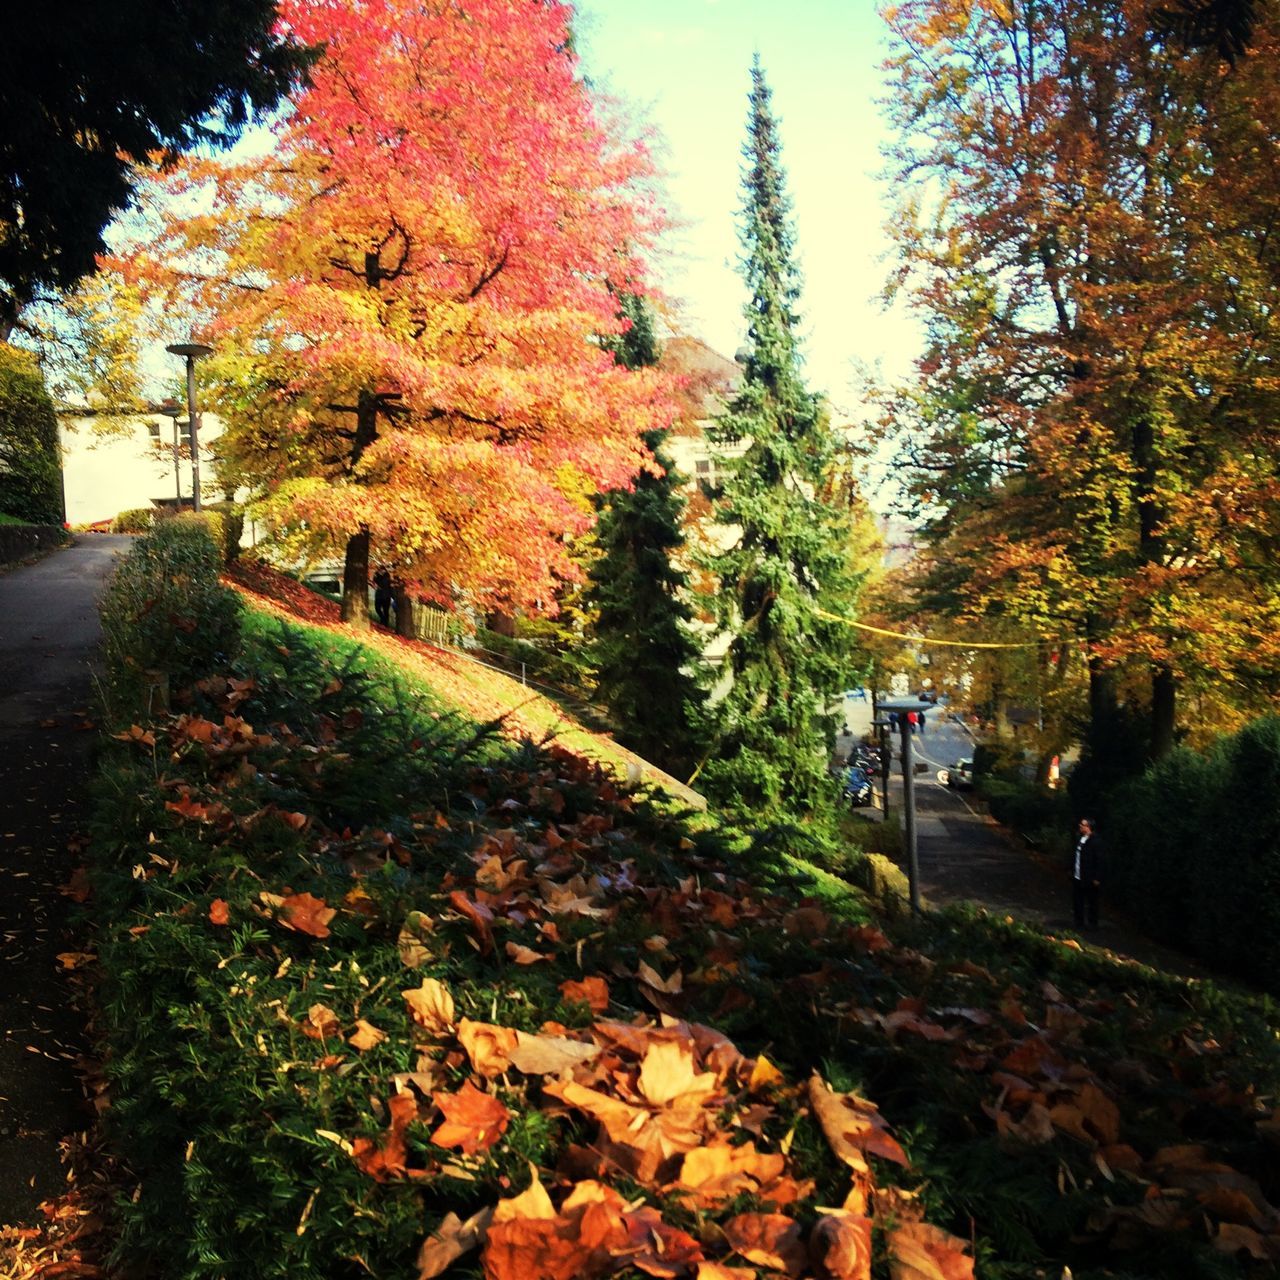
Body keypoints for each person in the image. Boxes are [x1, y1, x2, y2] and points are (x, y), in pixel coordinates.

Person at [1071, 817, 1103, 928]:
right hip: (1078, 875)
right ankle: (1079, 921)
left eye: (1082, 824)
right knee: (1078, 899)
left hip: (1089, 876)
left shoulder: (1096, 841)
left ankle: (1092, 923)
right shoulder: (1079, 838)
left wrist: (1097, 877)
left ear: (1089, 827)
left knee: (1092, 901)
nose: (1080, 826)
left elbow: (1099, 860)